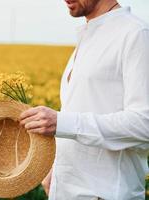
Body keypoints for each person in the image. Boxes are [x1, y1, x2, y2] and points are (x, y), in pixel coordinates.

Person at [19, 0, 149, 199]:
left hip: (107, 194)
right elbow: (84, 107)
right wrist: (57, 169)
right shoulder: (89, 34)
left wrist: (61, 122)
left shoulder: (136, 34)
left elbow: (144, 123)